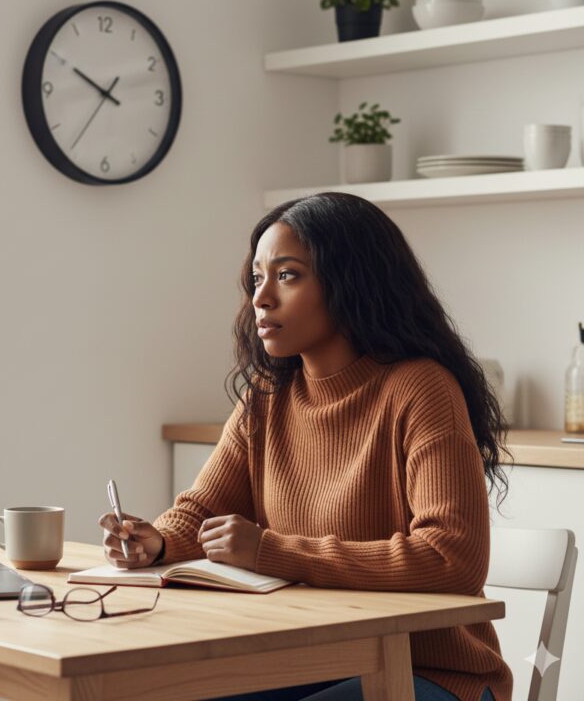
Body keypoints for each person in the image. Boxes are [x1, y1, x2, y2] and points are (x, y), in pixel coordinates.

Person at [99, 192, 513, 701]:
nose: (261, 298)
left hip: (428, 672)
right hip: (303, 660)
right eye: (257, 278)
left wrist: (273, 552)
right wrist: (156, 542)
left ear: (350, 282)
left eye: (287, 275)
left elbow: (453, 559)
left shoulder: (420, 389)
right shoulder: (267, 398)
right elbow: (201, 510)